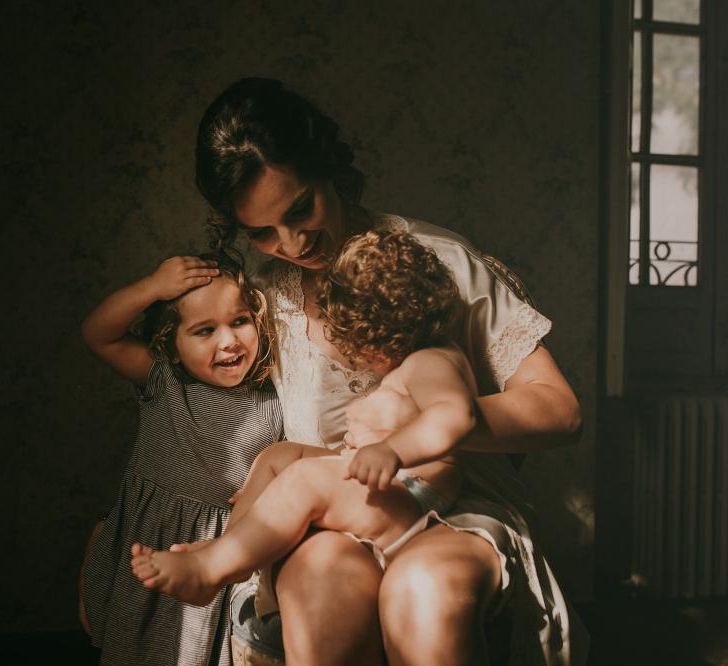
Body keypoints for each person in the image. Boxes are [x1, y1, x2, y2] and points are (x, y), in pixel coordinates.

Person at [195, 77, 587, 665]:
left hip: (450, 505)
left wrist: (423, 425)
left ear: (328, 167)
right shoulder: (263, 293)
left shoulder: (435, 260)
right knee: (320, 583)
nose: (292, 242)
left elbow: (560, 410)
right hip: (329, 507)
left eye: (301, 209)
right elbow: (179, 371)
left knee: (423, 590)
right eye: (261, 232)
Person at [129, 229, 478, 605]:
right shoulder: (419, 359)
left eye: (360, 344)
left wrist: (392, 449)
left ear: (389, 332)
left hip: (414, 496)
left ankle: (209, 571)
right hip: (387, 481)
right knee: (280, 455)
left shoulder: (433, 361)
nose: (355, 356)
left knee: (304, 479)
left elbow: (455, 416)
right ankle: (231, 548)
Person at [79, 251, 284, 666]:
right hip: (152, 539)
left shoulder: (275, 398)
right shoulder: (163, 380)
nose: (228, 341)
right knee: (135, 647)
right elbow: (97, 333)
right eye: (204, 331)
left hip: (212, 549)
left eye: (240, 322)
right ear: (170, 345)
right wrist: (152, 287)